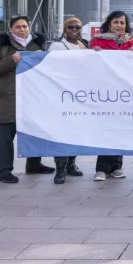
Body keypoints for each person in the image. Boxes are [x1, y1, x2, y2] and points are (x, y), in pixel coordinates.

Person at [0, 15, 52, 183]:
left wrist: (41, 57)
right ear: (10, 29)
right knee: (6, 137)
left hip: (32, 98)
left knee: (35, 132)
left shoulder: (37, 45)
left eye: (24, 26)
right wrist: (10, 60)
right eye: (18, 27)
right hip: (9, 98)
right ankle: (3, 171)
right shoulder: (3, 46)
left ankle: (34, 164)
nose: (22, 29)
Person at [90, 11, 133, 181]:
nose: (119, 25)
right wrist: (93, 54)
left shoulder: (131, 41)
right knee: (106, 129)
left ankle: (117, 166)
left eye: (122, 22)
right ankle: (101, 168)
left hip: (124, 93)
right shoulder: (98, 41)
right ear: (109, 24)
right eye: (116, 22)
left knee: (120, 129)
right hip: (104, 93)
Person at [46, 17, 87, 184]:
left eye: (78, 27)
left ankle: (71, 164)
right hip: (61, 96)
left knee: (75, 132)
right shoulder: (56, 46)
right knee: (62, 133)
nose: (74, 30)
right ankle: (60, 169)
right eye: (71, 27)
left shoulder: (84, 46)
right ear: (65, 29)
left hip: (79, 97)